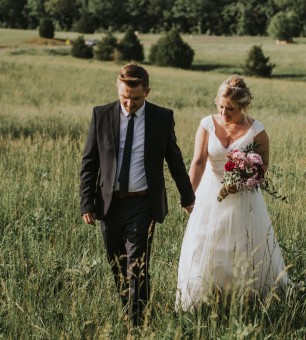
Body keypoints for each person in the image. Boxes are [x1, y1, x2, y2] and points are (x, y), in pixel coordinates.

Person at [80, 63, 195, 325]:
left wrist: (188, 197)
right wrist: (87, 202)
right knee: (117, 266)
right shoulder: (101, 115)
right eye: (124, 98)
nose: (129, 104)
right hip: (109, 205)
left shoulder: (161, 117)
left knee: (137, 268)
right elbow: (90, 163)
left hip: (143, 204)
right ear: (117, 90)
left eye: (135, 99)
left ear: (147, 92)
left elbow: (174, 160)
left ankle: (138, 322)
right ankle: (131, 311)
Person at [176, 75, 290, 311]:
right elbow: (198, 162)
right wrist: (188, 195)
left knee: (244, 244)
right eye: (220, 106)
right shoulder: (207, 124)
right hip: (209, 193)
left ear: (243, 106)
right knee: (205, 243)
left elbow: (263, 165)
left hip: (244, 197)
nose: (224, 113)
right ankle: (203, 298)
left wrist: (245, 180)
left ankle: (249, 299)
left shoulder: (257, 131)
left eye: (231, 108)